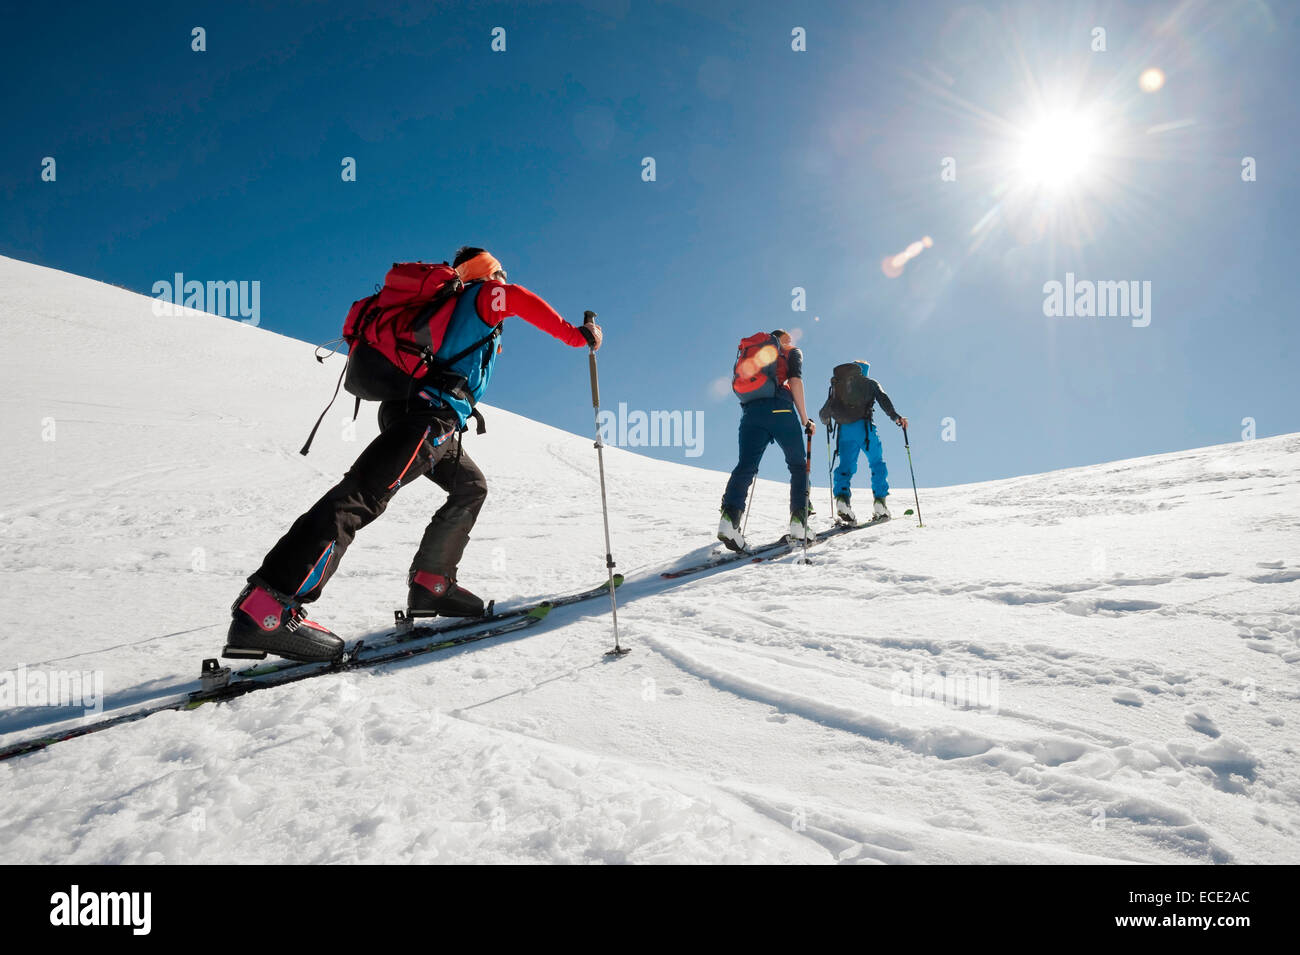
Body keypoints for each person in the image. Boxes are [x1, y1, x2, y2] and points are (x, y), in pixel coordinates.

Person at [224, 247, 603, 663]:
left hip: (418, 413)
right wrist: (576, 334)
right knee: (361, 495)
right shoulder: (481, 295)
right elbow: (515, 297)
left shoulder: (445, 303)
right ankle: (268, 610)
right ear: (489, 271)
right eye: (499, 272)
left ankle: (431, 583)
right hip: (428, 416)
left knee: (470, 486)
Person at [717, 330, 816, 552]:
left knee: (746, 466)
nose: (792, 341)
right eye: (789, 338)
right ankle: (799, 522)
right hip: (781, 407)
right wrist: (805, 419)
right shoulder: (790, 351)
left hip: (751, 413)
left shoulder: (752, 352)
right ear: (785, 339)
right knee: (798, 466)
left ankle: (729, 520)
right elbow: (796, 381)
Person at [818, 360, 907, 524]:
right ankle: (880, 503)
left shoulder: (839, 384)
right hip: (865, 429)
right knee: (877, 463)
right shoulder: (870, 383)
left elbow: (824, 413)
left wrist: (826, 420)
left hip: (844, 431)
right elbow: (884, 400)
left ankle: (842, 500)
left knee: (845, 466)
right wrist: (896, 418)